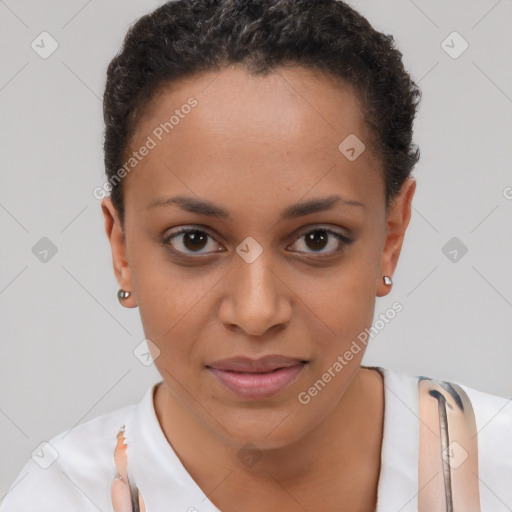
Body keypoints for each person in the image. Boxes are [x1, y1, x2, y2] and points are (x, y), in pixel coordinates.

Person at [2, 1, 511, 511]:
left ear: (390, 237)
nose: (256, 312)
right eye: (194, 240)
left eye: (317, 239)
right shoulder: (55, 498)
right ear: (122, 250)